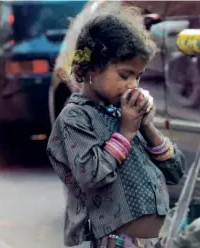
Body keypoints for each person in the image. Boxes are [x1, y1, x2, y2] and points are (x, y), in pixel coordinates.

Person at [47, 5, 186, 248]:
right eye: (125, 75)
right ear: (91, 68)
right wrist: (126, 131)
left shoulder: (124, 114)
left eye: (138, 77)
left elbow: (175, 172)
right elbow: (91, 176)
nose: (133, 85)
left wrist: (147, 128)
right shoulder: (75, 119)